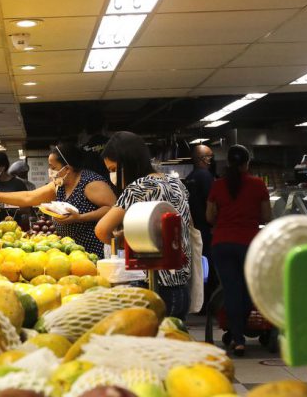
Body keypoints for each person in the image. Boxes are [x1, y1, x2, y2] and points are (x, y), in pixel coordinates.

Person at [94, 131, 193, 320]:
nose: (112, 175)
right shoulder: (176, 183)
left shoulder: (138, 187)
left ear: (128, 163)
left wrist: (124, 242)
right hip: (181, 288)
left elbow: (102, 230)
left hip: (152, 288)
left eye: (114, 169)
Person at [0, 143, 116, 258]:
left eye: (53, 167)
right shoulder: (59, 184)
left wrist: (80, 218)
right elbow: (28, 197)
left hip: (93, 250)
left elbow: (112, 208)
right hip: (70, 250)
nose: (50, 171)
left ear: (67, 168)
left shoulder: (90, 183)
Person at [206, 145, 271, 356]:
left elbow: (209, 217)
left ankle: (237, 337)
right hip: (249, 244)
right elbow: (266, 217)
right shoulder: (258, 184)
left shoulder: (218, 185)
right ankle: (240, 334)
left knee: (231, 290)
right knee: (247, 290)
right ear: (247, 163)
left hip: (222, 244)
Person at [184, 144, 216, 312]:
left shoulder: (190, 177)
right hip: (206, 230)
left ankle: (200, 302)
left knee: (199, 268)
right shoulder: (205, 176)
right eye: (209, 157)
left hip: (194, 229)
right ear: (202, 158)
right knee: (209, 268)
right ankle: (208, 304)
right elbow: (212, 205)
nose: (211, 161)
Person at [0, 151, 30, 228]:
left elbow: (26, 208)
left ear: (3, 166)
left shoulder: (18, 184)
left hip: (14, 229)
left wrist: (6, 205)